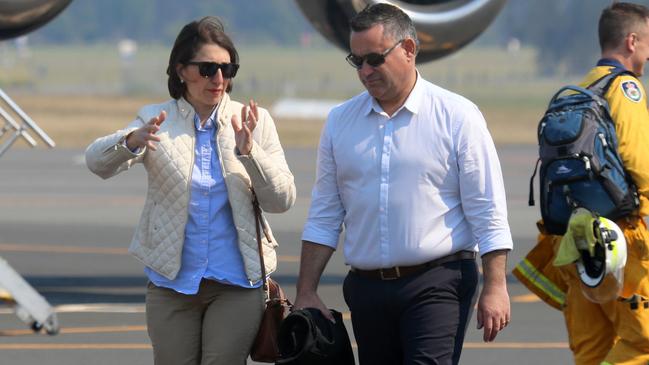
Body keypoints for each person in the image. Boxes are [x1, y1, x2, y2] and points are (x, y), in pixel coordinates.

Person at [292, 4, 513, 365]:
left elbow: (487, 209)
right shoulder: (339, 122)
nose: (364, 71)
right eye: (356, 61)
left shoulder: (458, 117)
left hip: (437, 283)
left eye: (375, 59)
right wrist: (306, 291)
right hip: (366, 290)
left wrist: (496, 285)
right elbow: (325, 214)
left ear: (409, 50)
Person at [85, 16, 295, 365]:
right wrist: (130, 142)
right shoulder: (155, 118)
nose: (219, 79)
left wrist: (250, 152)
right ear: (181, 70)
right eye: (208, 68)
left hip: (237, 283)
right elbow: (96, 162)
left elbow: (283, 200)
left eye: (228, 70)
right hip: (172, 284)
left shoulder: (253, 121)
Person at [514, 3, 649, 364]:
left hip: (576, 243)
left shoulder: (579, 90)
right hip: (619, 238)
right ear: (632, 41)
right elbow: (641, 164)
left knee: (592, 348)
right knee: (644, 342)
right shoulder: (626, 88)